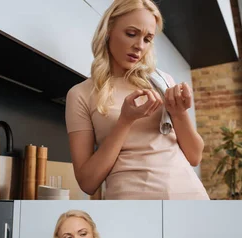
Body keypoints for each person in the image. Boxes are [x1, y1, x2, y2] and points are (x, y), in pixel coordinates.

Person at [65, 0, 209, 200]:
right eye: (131, 34)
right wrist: (125, 121)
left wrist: (179, 112)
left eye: (147, 39)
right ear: (108, 30)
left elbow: (195, 156)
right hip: (131, 201)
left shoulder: (162, 81)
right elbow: (88, 182)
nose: (139, 46)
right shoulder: (80, 94)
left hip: (190, 194)